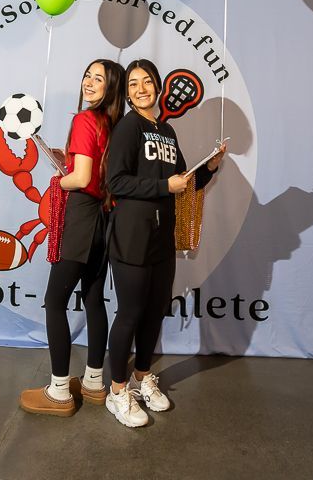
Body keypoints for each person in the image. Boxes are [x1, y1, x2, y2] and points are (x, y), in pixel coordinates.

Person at [104, 58, 225, 427]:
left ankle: (142, 378)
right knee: (130, 314)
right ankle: (117, 390)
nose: (142, 89)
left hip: (162, 237)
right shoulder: (128, 127)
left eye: (147, 82)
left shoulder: (168, 132)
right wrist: (162, 187)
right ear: (127, 92)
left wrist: (210, 167)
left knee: (154, 310)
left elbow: (183, 181)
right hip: (131, 236)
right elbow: (116, 182)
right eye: (134, 84)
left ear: (158, 86)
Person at [19, 59, 125, 417]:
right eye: (88, 75)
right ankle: (95, 382)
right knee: (94, 301)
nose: (89, 82)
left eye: (99, 79)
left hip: (80, 216)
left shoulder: (84, 119)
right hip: (103, 222)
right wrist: (72, 161)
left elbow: (80, 180)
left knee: (55, 302)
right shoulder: (112, 125)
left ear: (110, 88)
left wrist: (58, 180)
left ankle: (60, 390)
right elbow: (95, 171)